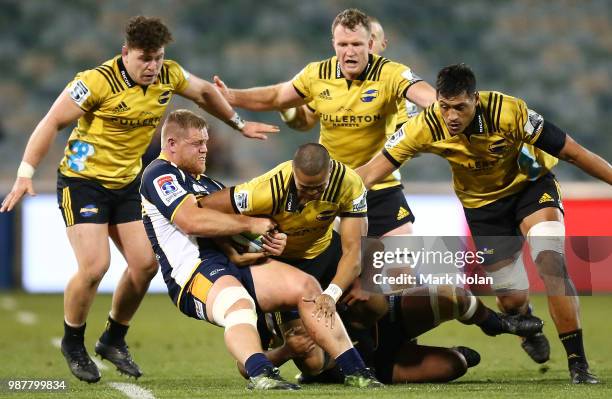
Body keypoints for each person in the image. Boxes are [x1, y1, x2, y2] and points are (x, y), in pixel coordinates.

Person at [0, 16, 278, 383]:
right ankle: (72, 341)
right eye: (144, 58)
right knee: (95, 266)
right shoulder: (95, 82)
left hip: (128, 183)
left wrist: (238, 124)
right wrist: (25, 171)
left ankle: (113, 337)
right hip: (83, 181)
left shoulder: (170, 74)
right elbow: (51, 121)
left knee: (146, 264)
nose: (152, 67)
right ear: (125, 53)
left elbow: (205, 93)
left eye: (158, 58)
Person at [357, 63, 612, 384]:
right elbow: (368, 174)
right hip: (482, 207)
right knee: (511, 299)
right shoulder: (422, 127)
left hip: (531, 187)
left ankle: (579, 364)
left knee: (551, 261)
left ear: (475, 100)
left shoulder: (510, 112)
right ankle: (523, 319)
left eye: (460, 107)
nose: (451, 116)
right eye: (445, 107)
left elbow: (574, 153)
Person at [140, 109, 382, 389]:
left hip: (235, 264)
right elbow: (190, 221)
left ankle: (355, 369)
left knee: (307, 287)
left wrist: (267, 244)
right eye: (197, 144)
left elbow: (228, 235)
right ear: (171, 144)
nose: (206, 150)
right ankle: (261, 373)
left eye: (206, 142)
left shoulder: (207, 184)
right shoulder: (160, 174)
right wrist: (252, 224)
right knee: (237, 305)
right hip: (194, 271)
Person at [213, 8, 436, 238]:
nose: (349, 52)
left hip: (379, 187)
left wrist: (447, 109)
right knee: (343, 267)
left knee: (399, 268)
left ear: (370, 44)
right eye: (343, 44)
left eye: (357, 44)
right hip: (329, 187)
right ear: (334, 44)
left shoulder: (392, 74)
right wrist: (231, 96)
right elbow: (278, 96)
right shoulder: (316, 74)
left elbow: (430, 100)